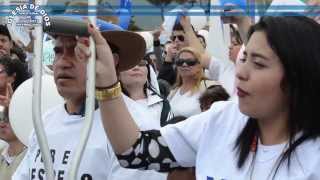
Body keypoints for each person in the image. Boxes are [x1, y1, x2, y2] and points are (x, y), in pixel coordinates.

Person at [90, 16, 320, 179]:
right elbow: (135, 151)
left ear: (299, 75)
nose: (240, 72)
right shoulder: (221, 119)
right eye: (244, 58)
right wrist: (107, 82)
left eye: (259, 64)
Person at [12, 18, 148, 180]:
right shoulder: (45, 123)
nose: (63, 62)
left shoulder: (137, 128)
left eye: (78, 52)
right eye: (58, 52)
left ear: (111, 61)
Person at [0, 56, 28, 180]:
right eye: (2, 117)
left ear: (12, 77)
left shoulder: (31, 156)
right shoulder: (2, 152)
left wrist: (13, 108)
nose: (2, 122)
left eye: (7, 117)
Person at [168, 47, 212, 117]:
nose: (184, 65)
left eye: (190, 62)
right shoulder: (173, 92)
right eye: (180, 62)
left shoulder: (209, 87)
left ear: (199, 65)